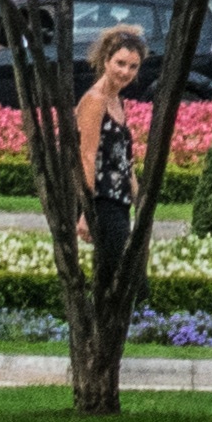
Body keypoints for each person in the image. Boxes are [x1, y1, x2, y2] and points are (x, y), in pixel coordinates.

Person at [64, 24, 157, 305]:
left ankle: (106, 332)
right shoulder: (95, 101)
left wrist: (138, 195)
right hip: (102, 201)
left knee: (116, 275)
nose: (125, 72)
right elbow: (87, 156)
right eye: (120, 64)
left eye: (132, 66)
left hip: (119, 200)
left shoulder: (116, 101)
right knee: (126, 277)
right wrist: (85, 212)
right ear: (105, 61)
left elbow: (122, 158)